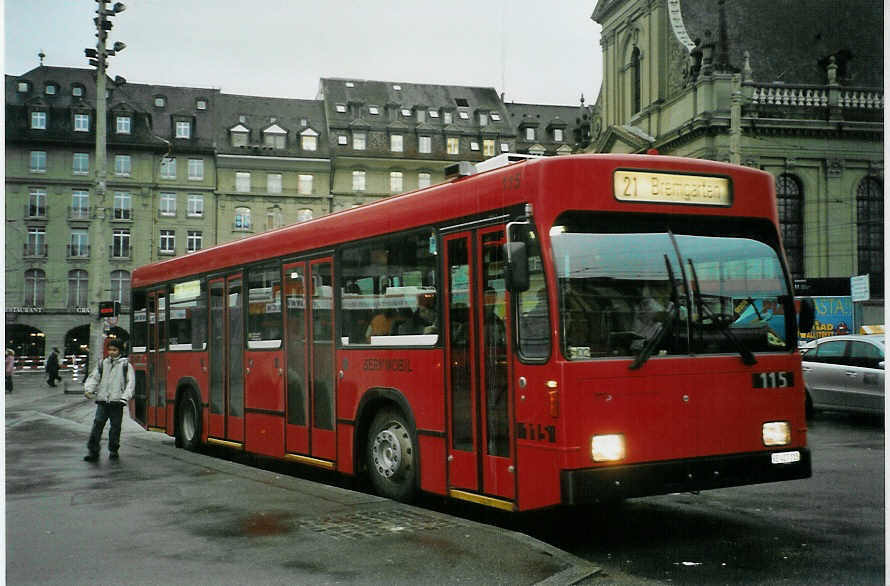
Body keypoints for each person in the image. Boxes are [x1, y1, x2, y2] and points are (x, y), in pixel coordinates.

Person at [83, 338, 135, 461]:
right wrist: (88, 389)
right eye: (110, 349)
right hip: (102, 401)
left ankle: (113, 450)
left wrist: (125, 398)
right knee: (97, 425)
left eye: (114, 350)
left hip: (117, 402)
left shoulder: (126, 365)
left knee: (115, 428)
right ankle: (93, 451)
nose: (111, 352)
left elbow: (130, 383)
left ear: (120, 351)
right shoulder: (102, 364)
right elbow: (94, 378)